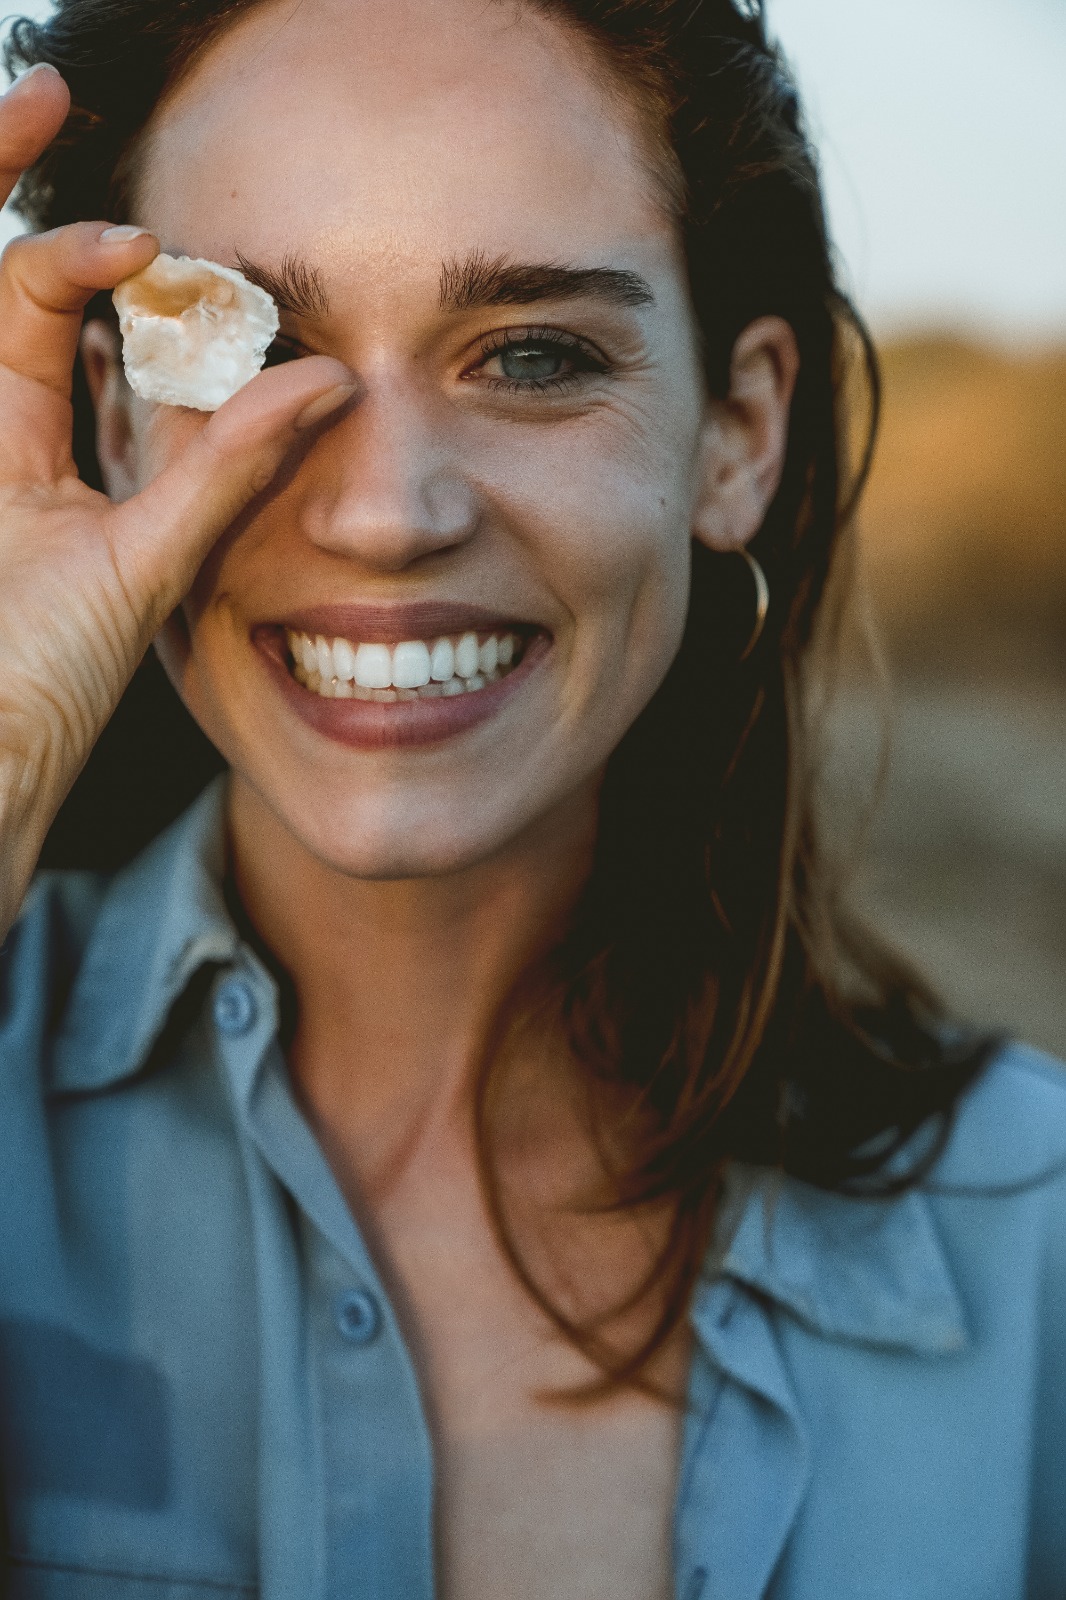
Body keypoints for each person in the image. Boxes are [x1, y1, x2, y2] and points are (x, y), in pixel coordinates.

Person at [0, 1, 1063, 1595]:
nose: (384, 510)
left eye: (532, 354)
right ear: (109, 414)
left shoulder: (1037, 1248)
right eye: (253, 352)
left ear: (737, 435)